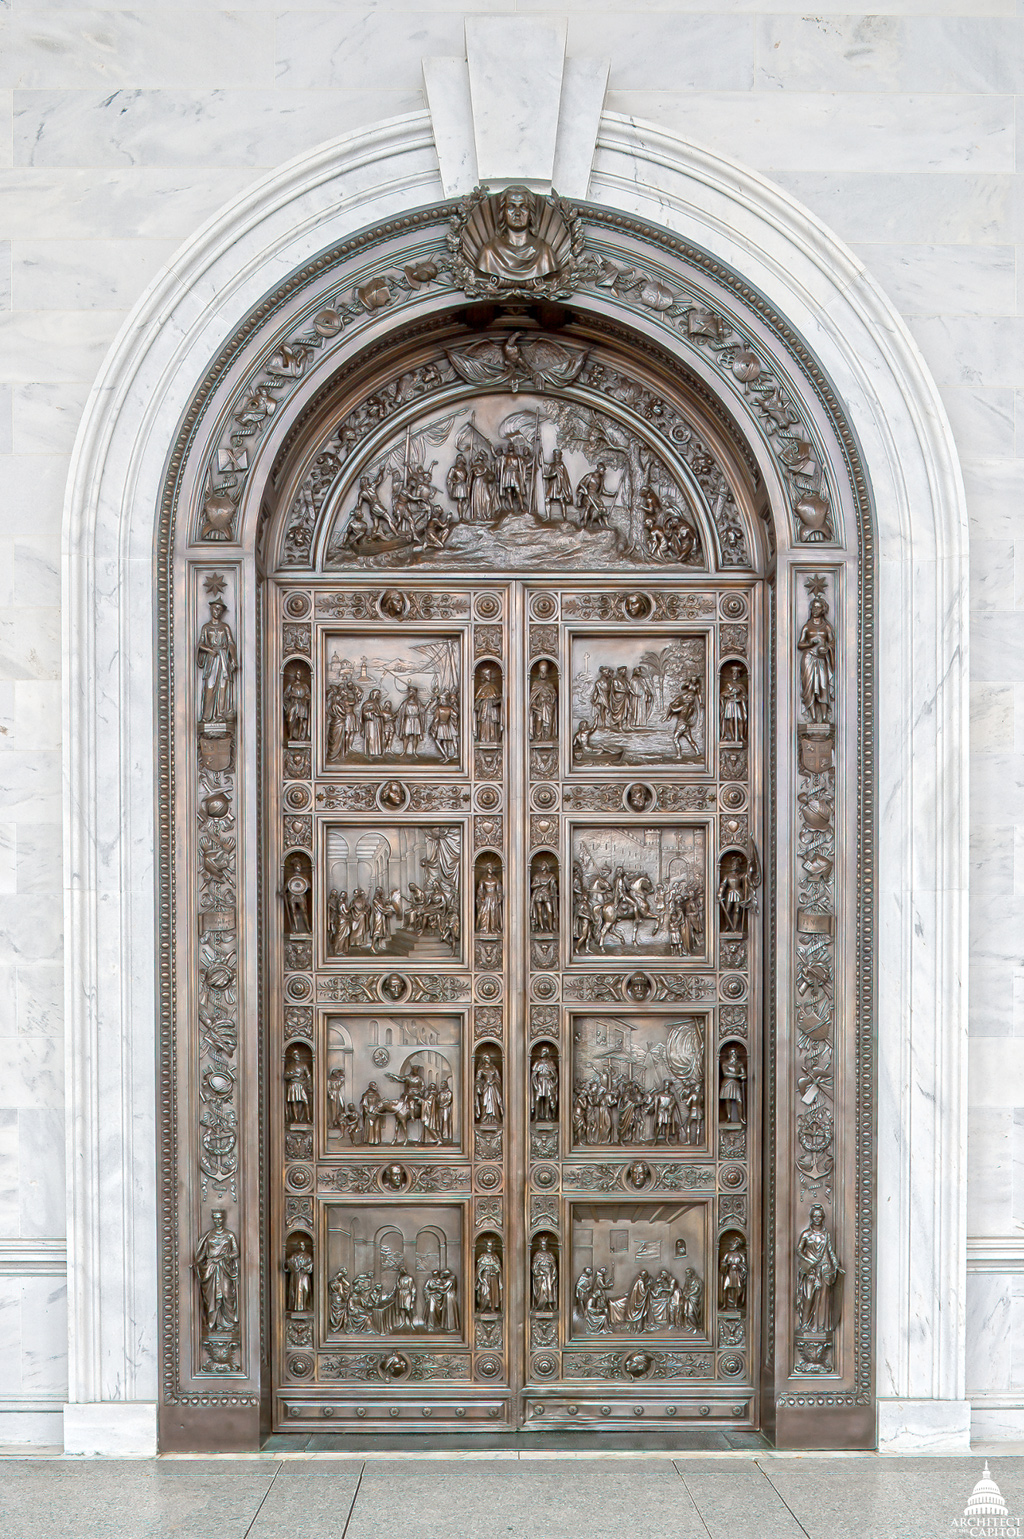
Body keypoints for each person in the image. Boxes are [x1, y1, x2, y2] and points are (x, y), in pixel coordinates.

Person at [477, 185, 558, 281]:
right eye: (511, 207)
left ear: (530, 213)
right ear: (503, 212)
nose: (517, 213)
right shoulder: (489, 252)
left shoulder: (544, 252)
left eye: (524, 207)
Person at [194, 1211, 239, 1332]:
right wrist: (196, 1263)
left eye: (219, 1219)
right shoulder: (209, 1235)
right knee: (211, 1298)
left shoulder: (229, 1235)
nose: (217, 1221)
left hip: (224, 1268)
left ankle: (227, 1323)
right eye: (215, 1218)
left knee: (226, 1294)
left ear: (223, 1219)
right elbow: (203, 1253)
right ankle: (212, 1324)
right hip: (211, 1269)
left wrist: (225, 1257)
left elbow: (236, 1252)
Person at [475, 1238, 503, 1314]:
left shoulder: (495, 1256)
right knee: (486, 1293)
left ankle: (493, 1308)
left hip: (493, 1277)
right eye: (488, 1246)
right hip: (485, 1277)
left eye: (491, 1246)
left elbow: (499, 1268)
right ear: (486, 1246)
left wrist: (496, 1271)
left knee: (493, 1292)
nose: (489, 1248)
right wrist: (480, 1279)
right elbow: (479, 1270)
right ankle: (483, 1308)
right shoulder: (483, 1256)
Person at [532, 1236, 558, 1312]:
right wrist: (540, 1272)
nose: (544, 1246)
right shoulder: (537, 1254)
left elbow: (554, 1266)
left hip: (549, 1274)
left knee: (549, 1290)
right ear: (540, 1245)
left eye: (545, 1244)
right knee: (541, 1289)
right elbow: (534, 1267)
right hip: (540, 1275)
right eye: (542, 1244)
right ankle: (540, 1305)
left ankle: (549, 1305)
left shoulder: (550, 1254)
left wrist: (553, 1275)